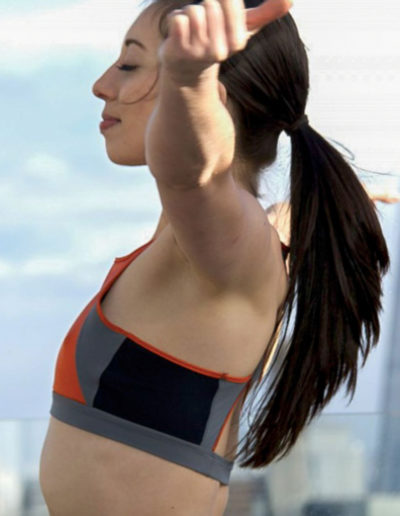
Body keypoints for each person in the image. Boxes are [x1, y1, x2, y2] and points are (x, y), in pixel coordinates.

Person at [39, 1, 392, 514]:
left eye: (131, 65)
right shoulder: (239, 243)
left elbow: (193, 170)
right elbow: (263, 210)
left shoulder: (231, 246)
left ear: (213, 104)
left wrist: (187, 77)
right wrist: (333, 199)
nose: (101, 85)